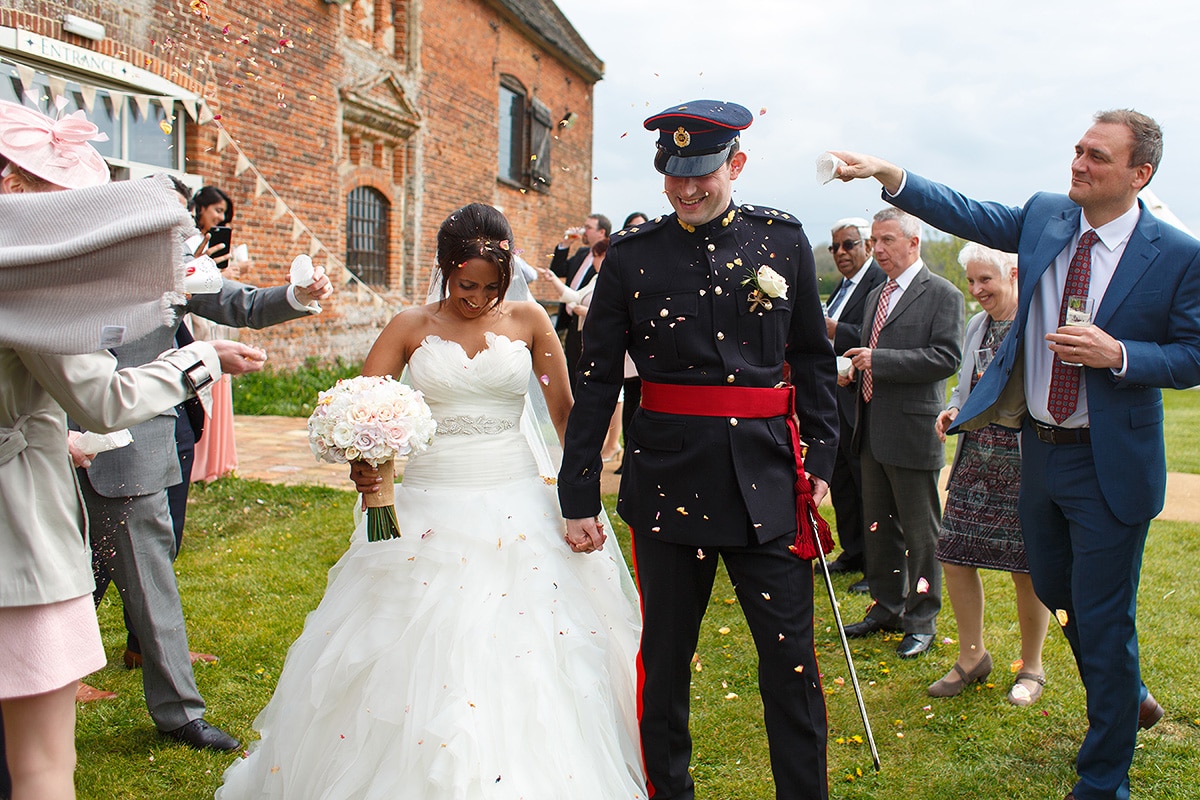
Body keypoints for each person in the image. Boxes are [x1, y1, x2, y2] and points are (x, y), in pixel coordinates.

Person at [216, 203, 645, 799]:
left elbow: (566, 414)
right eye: (466, 285)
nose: (478, 298)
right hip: (426, 502)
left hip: (518, 497)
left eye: (491, 287)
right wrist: (368, 459)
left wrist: (583, 496)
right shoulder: (410, 326)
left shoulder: (529, 322)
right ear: (445, 269)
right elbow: (362, 406)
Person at [830, 107, 1198, 800]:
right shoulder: (1047, 216)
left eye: (1098, 157)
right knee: (1060, 591)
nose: (1079, 164)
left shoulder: (1176, 253)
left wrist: (1121, 354)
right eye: (1079, 150)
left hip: (1110, 463)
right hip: (1040, 451)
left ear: (1139, 174)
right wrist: (889, 174)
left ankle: (1102, 777)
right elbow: (965, 210)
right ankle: (1128, 695)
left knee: (1105, 613)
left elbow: (1194, 352)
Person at [559, 100, 838, 800]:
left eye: (703, 174)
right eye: (673, 175)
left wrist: (823, 464)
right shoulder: (631, 258)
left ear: (735, 166)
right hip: (666, 485)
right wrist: (578, 492)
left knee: (791, 662)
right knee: (666, 659)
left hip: (768, 484)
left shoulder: (783, 241)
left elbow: (810, 357)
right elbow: (596, 384)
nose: (687, 189)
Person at [0, 98, 265, 800]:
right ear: (12, 187)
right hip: (15, 539)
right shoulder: (24, 286)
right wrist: (201, 362)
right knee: (42, 767)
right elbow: (103, 397)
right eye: (59, 195)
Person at [77, 191, 333, 751]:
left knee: (153, 581)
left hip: (131, 449)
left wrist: (299, 294)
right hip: (38, 450)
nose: (190, 245)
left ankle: (178, 713)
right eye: (177, 233)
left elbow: (244, 304)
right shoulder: (77, 271)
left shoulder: (178, 274)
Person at [927, 244, 1051, 705]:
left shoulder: (1037, 323)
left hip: (1022, 460)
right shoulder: (977, 325)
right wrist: (952, 410)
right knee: (955, 556)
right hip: (975, 458)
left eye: (986, 281)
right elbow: (965, 389)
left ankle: (1032, 667)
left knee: (1027, 568)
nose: (977, 291)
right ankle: (972, 657)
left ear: (1014, 273)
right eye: (972, 282)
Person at [839, 208, 964, 659]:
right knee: (878, 528)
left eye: (887, 240)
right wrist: (855, 371)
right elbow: (875, 351)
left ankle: (922, 619)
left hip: (913, 432)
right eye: (874, 241)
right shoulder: (877, 294)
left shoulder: (943, 295)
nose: (878, 250)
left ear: (914, 242)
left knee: (921, 533)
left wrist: (880, 363)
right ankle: (887, 607)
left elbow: (947, 358)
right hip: (871, 429)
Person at [822, 217, 885, 590]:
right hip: (836, 396)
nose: (841, 254)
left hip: (863, 397)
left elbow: (873, 334)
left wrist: (833, 330)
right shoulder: (842, 287)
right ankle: (852, 552)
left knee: (866, 485)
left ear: (868, 246)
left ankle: (875, 562)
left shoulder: (879, 282)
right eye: (835, 248)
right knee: (842, 480)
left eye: (849, 245)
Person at [539, 237, 622, 462]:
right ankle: (598, 443)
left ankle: (611, 443)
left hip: (609, 343)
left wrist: (584, 313)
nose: (594, 260)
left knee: (615, 397)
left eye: (596, 255)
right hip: (590, 339)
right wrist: (554, 279)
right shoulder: (596, 278)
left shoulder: (615, 276)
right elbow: (573, 296)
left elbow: (613, 313)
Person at [189, 185, 239, 483]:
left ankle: (218, 461)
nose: (221, 217)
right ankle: (200, 460)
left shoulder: (216, 243)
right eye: (217, 210)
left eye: (224, 213)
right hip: (197, 321)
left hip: (217, 320)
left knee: (220, 382)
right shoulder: (190, 241)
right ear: (201, 209)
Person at [547, 212, 611, 386]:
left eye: (589, 228)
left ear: (601, 232)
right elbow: (559, 269)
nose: (584, 231)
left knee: (584, 373)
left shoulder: (609, 259)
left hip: (588, 321)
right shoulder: (582, 253)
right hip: (570, 319)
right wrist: (566, 244)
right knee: (571, 370)